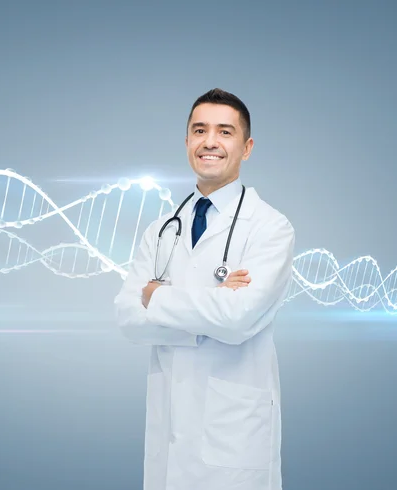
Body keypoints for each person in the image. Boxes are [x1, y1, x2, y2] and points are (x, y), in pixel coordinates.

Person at [114, 88, 295, 490]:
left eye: (224, 132)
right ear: (187, 142)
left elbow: (238, 319)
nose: (210, 141)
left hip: (234, 441)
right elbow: (127, 318)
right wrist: (213, 305)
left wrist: (156, 296)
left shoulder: (270, 228)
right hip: (168, 437)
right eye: (200, 130)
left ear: (246, 148)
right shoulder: (162, 229)